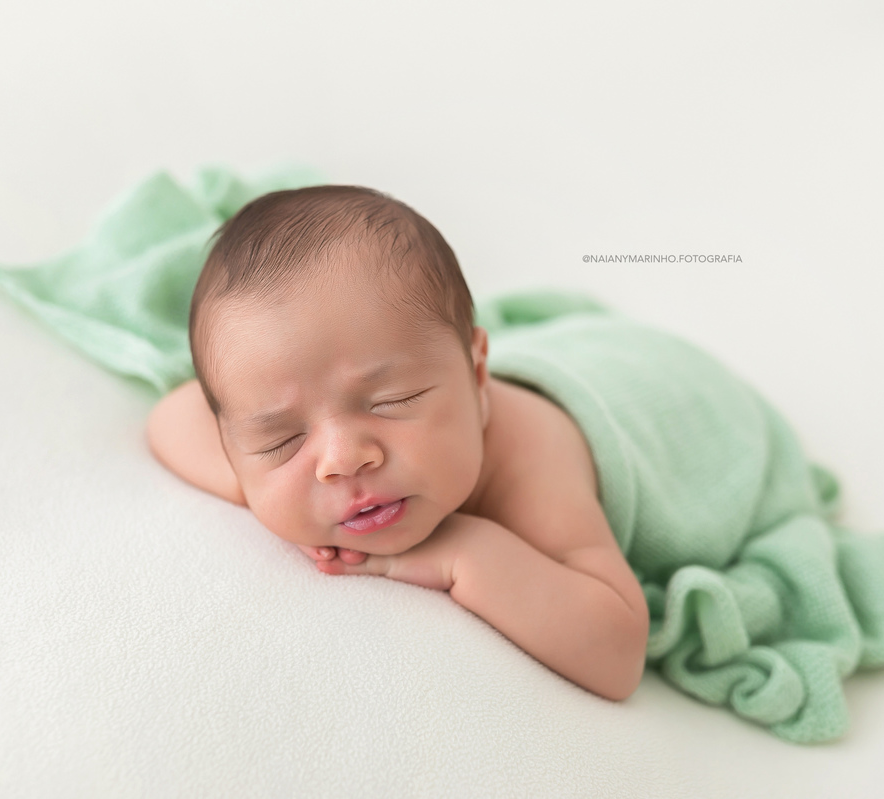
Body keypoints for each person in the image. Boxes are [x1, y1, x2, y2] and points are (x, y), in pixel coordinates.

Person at [146, 185, 651, 702]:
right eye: (282, 439)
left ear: (478, 376)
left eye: (391, 401)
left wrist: (464, 551)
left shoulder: (532, 458)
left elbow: (618, 653)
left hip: (645, 388)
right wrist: (268, 492)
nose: (342, 460)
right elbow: (170, 419)